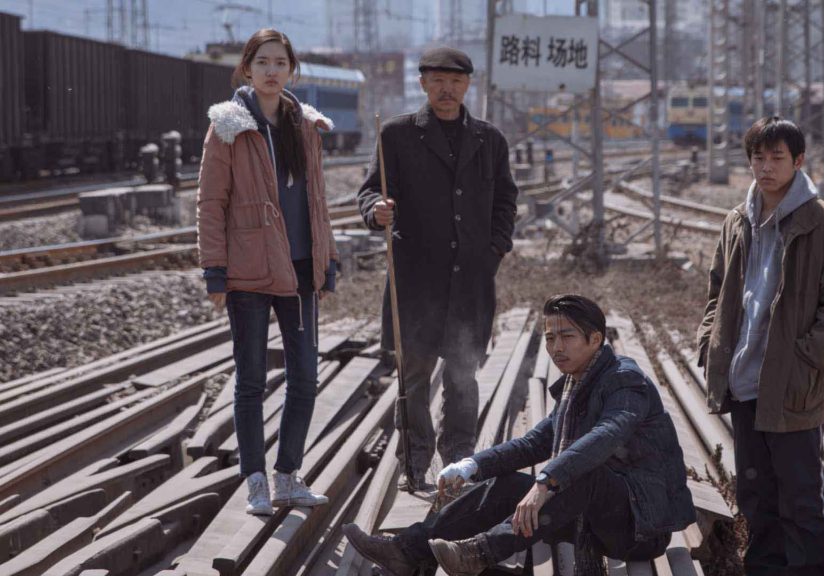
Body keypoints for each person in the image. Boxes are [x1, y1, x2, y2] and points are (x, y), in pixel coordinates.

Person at [342, 294, 696, 576]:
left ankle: (478, 553)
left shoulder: (625, 380)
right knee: (506, 486)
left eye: (567, 336)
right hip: (587, 516)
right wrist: (470, 466)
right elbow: (534, 443)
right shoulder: (577, 384)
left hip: (639, 527)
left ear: (595, 339)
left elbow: (607, 434)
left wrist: (546, 482)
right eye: (550, 337)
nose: (556, 347)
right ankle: (407, 551)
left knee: (584, 476)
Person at [696, 116, 824, 575]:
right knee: (756, 495)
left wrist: (804, 357)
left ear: (798, 161)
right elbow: (717, 291)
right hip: (743, 383)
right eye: (758, 157)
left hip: (792, 387)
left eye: (777, 157)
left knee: (800, 496)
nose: (766, 167)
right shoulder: (737, 221)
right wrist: (709, 340)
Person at [355, 46, 519, 489]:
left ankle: (459, 463)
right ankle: (414, 464)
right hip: (416, 280)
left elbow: (506, 199)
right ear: (423, 83)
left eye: (456, 81)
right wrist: (376, 211)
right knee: (413, 377)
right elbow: (369, 191)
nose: (447, 89)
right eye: (438, 81)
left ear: (468, 85)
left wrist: (495, 248)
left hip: (470, 280)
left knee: (463, 376)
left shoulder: (489, 140)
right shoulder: (397, 135)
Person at [197, 28, 339, 516]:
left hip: (299, 270)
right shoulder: (228, 126)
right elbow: (210, 203)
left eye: (280, 63)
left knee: (305, 377)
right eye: (262, 62)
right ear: (247, 69)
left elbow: (317, 201)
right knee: (252, 380)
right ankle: (255, 479)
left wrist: (326, 261)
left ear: (292, 70)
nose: (271, 71)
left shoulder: (306, 126)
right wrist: (215, 271)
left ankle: (288, 476)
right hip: (248, 271)